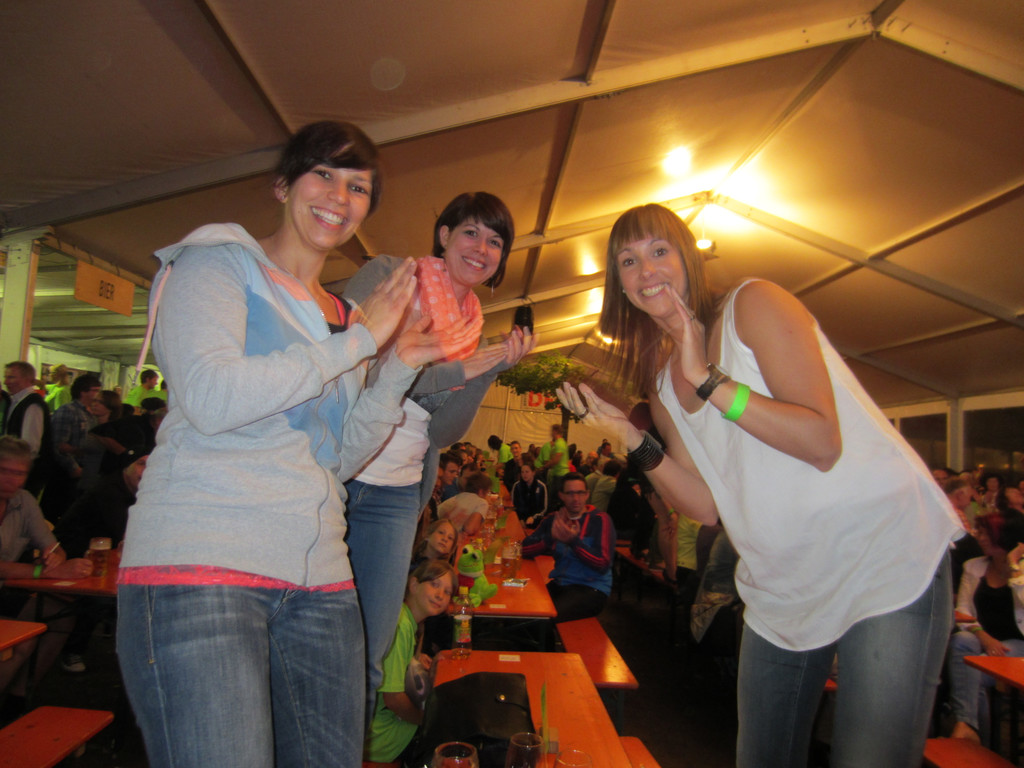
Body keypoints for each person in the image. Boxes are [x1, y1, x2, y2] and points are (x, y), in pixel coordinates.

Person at [115, 121, 471, 768]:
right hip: (202, 562)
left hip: (318, 578)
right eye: (323, 173)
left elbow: (336, 460)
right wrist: (359, 345)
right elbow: (210, 397)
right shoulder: (216, 262)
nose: (339, 195)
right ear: (283, 184)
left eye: (358, 186)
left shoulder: (345, 318)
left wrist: (395, 369)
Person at [557, 203, 961, 767]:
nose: (646, 270)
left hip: (882, 556)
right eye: (628, 260)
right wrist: (628, 435)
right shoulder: (663, 384)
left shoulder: (753, 304)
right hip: (781, 587)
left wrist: (708, 380)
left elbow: (821, 442)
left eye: (659, 251)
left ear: (688, 258)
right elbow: (705, 504)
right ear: (619, 285)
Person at [340, 191, 535, 719]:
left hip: (399, 492)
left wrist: (490, 367)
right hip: (340, 475)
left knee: (372, 646)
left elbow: (442, 429)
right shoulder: (391, 275)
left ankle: (349, 747)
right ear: (444, 235)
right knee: (317, 631)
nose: (481, 248)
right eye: (471, 232)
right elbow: (349, 362)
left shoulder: (470, 325)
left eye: (495, 241)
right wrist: (467, 368)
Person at [0, 436, 93, 719]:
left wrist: (54, 559)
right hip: (8, 588)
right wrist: (45, 571)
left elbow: (54, 547)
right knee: (25, 637)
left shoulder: (24, 501)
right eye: (5, 471)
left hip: (7, 591)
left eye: (20, 473)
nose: (13, 479)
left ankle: (16, 701)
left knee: (60, 610)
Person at [364, 560, 457, 764]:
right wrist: (425, 721)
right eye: (434, 584)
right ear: (414, 585)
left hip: (383, 728)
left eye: (447, 592)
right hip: (383, 739)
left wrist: (418, 663)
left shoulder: (406, 619)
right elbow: (393, 699)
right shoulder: (401, 627)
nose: (440, 595)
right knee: (454, 731)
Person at [946, 512, 1024, 743]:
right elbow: (963, 611)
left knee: (970, 672)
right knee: (962, 641)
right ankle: (971, 732)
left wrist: (1013, 566)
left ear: (1003, 537)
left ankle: (970, 732)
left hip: (1018, 643)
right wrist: (982, 635)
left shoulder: (1021, 570)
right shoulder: (973, 566)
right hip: (980, 639)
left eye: (985, 533)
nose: (979, 537)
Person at [521, 472, 615, 622]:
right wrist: (549, 538)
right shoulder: (554, 519)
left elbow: (603, 564)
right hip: (559, 583)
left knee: (540, 619)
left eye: (580, 493)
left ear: (587, 494)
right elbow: (523, 549)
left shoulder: (600, 520)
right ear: (561, 495)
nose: (576, 498)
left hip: (591, 589)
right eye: (570, 493)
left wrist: (573, 542)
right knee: (524, 610)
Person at [3, 360, 53, 497]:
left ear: (28, 379)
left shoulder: (32, 404)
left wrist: (19, 474)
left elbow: (30, 447)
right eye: (6, 377)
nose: (6, 382)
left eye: (11, 377)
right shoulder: (16, 401)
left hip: (25, 475)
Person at [436, 471, 490, 536]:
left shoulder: (455, 497)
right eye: (487, 492)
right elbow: (469, 529)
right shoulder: (482, 503)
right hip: (451, 538)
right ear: (481, 491)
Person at [512, 462, 548, 527]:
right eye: (522, 472)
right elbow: (514, 505)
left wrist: (533, 518)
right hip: (520, 520)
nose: (524, 474)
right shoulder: (517, 486)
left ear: (533, 473)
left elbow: (544, 508)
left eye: (527, 472)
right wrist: (520, 519)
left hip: (535, 520)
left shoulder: (541, 486)